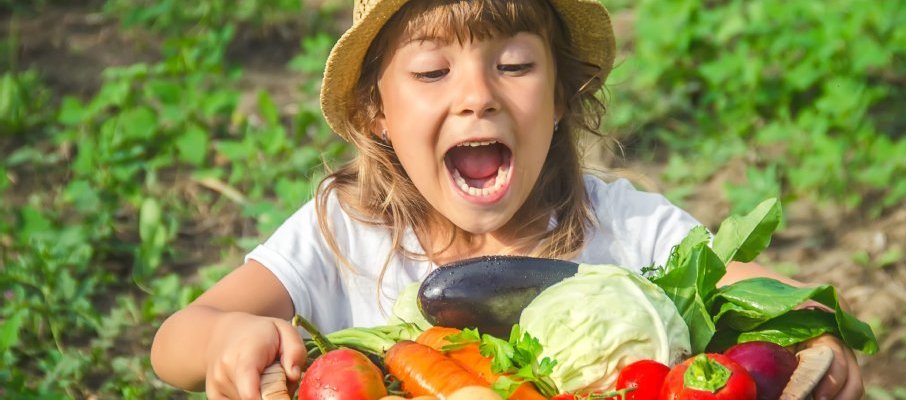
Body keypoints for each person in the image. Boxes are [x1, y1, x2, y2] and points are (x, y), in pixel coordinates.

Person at [150, 1, 864, 399]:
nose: (477, 97)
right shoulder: (347, 233)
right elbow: (176, 339)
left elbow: (767, 297)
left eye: (515, 65)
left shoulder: (628, 228)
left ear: (559, 94)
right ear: (376, 111)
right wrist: (224, 339)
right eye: (432, 72)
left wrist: (811, 331)